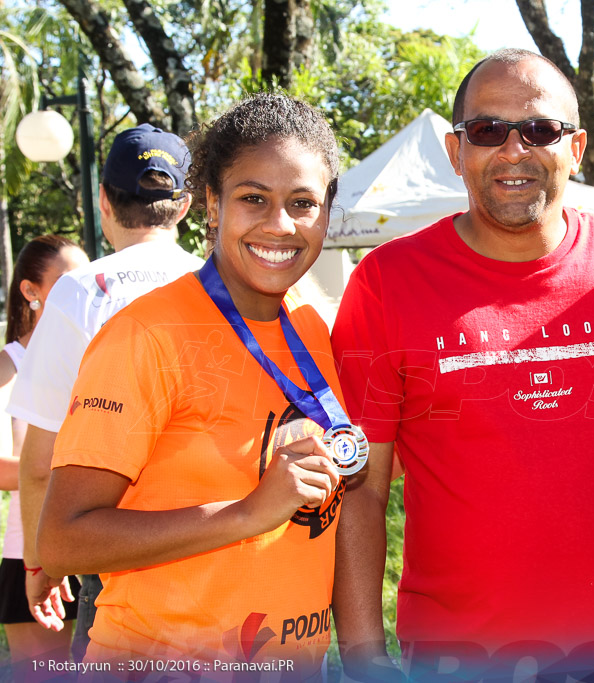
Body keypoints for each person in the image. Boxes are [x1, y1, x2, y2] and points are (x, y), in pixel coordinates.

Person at [332, 48, 594, 679]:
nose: (514, 150)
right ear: (457, 152)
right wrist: (364, 659)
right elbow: (364, 488)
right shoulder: (388, 282)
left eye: (540, 129)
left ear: (576, 147)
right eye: (487, 131)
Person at [35, 94, 346, 674]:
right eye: (254, 198)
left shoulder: (313, 328)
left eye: (303, 203)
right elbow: (62, 541)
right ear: (211, 202)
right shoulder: (146, 334)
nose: (280, 224)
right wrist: (247, 514)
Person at [9, 123, 204, 659]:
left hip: (114, 558)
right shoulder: (222, 285)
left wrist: (39, 563)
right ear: (184, 205)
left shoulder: (77, 292)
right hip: (217, 547)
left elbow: (41, 460)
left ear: (102, 200)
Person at [0, 235, 87, 674]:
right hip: (30, 552)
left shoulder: (99, 355)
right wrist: (84, 474)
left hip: (99, 542)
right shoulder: (7, 367)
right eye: (68, 281)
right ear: (31, 292)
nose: (84, 289)